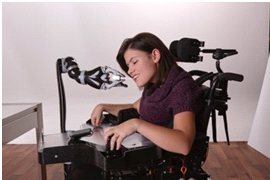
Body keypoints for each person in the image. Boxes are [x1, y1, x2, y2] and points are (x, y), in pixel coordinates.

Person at [68, 32, 204, 179]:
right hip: (146, 150)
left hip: (159, 161)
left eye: (134, 62)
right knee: (81, 160)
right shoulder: (156, 86)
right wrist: (104, 106)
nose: (129, 70)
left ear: (155, 56)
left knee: (83, 172)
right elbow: (135, 107)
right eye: (128, 66)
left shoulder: (182, 88)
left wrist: (136, 125)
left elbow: (183, 143)